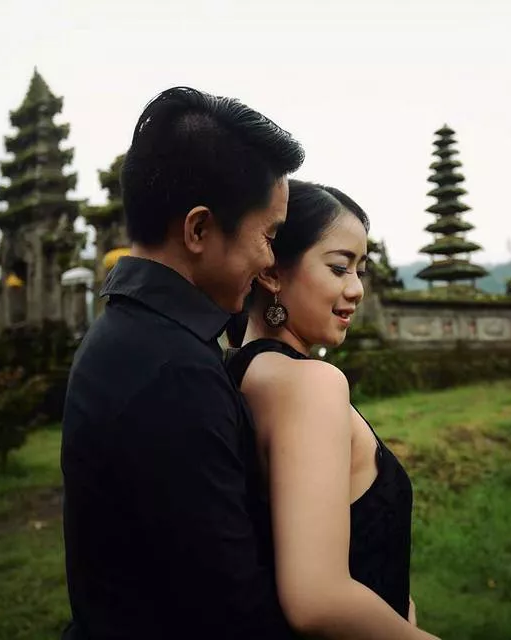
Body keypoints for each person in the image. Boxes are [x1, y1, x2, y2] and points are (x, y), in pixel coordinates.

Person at [60, 86, 304, 639]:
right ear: (198, 229)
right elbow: (229, 612)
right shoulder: (171, 370)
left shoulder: (133, 335)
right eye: (268, 236)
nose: (271, 260)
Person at [225, 180, 440, 639]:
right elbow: (318, 598)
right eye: (340, 268)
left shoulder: (242, 373)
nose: (357, 289)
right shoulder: (311, 384)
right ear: (272, 272)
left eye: (360, 270)